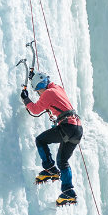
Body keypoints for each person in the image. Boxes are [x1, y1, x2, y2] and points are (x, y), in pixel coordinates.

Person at [20, 72, 83, 206]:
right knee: (63, 161)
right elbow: (54, 103)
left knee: (41, 141)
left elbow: (36, 109)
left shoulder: (48, 93)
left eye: (38, 90)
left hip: (67, 127)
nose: (39, 94)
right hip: (77, 129)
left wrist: (26, 99)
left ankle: (50, 169)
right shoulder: (58, 88)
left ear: (42, 86)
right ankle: (68, 191)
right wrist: (34, 78)